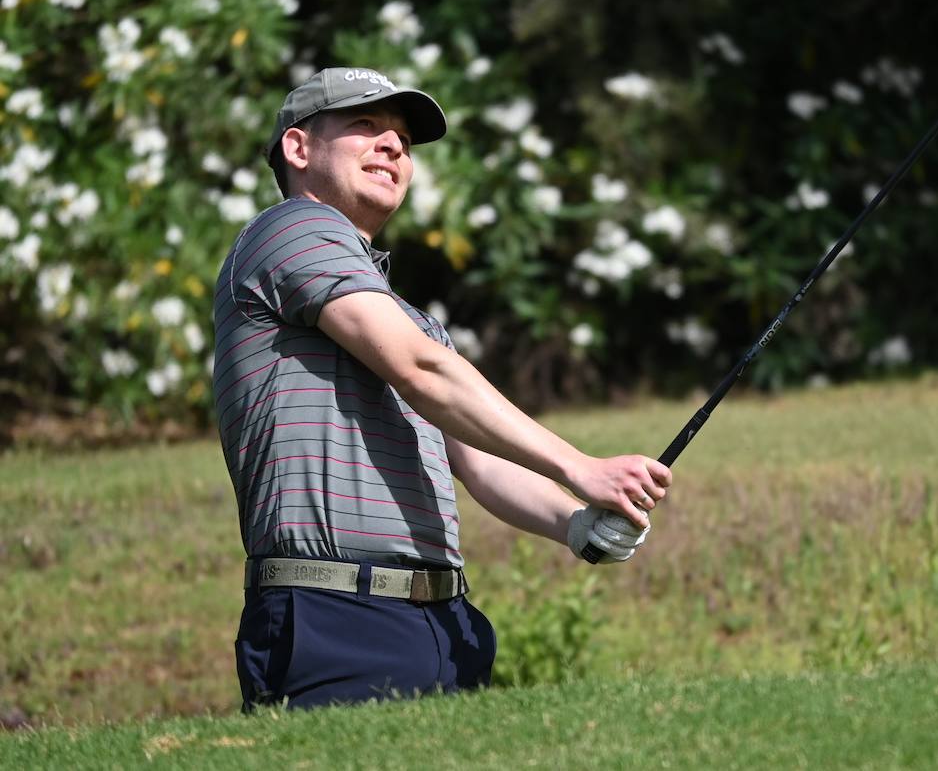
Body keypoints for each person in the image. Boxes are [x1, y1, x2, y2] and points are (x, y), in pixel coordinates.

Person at [212, 66, 671, 712]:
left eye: (401, 137)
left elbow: (479, 463)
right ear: (298, 148)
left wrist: (575, 522)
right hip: (333, 614)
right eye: (365, 126)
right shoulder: (287, 230)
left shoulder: (406, 318)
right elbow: (421, 370)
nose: (393, 146)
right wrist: (580, 466)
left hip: (443, 622)